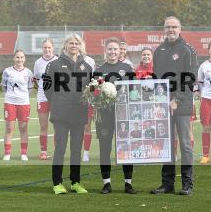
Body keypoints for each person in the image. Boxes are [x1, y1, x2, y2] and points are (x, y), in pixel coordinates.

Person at [151, 16, 198, 195]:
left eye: (174, 26)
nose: (171, 30)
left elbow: (190, 78)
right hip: (164, 105)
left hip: (182, 105)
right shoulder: (159, 50)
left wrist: (176, 100)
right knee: (167, 145)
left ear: (180, 29)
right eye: (168, 27)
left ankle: (187, 184)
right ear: (164, 29)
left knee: (185, 144)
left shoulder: (188, 49)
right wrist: (156, 99)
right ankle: (167, 183)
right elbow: (157, 78)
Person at [43, 34, 93, 194]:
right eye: (71, 43)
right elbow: (47, 88)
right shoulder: (54, 65)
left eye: (76, 43)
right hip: (61, 113)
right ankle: (57, 183)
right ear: (65, 45)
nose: (74, 45)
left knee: (76, 149)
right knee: (60, 148)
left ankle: (75, 182)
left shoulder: (87, 67)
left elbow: (91, 89)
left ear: (80, 46)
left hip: (79, 113)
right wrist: (58, 101)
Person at [94, 37, 136, 193]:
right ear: (105, 51)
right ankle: (106, 183)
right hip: (104, 116)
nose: (112, 52)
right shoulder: (99, 70)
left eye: (115, 49)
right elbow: (91, 90)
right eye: (110, 49)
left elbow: (134, 91)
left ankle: (128, 183)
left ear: (120, 51)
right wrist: (95, 93)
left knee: (126, 147)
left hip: (123, 115)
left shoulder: (127, 68)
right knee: (105, 148)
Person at [1, 49, 35, 161]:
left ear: (24, 59)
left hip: (24, 103)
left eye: (21, 57)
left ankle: (23, 154)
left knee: (23, 129)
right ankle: (7, 154)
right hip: (10, 102)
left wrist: (22, 97)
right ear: (13, 58)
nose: (19, 59)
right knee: (9, 129)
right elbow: (4, 87)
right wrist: (11, 97)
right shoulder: (7, 71)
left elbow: (30, 88)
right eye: (17, 57)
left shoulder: (28, 72)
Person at [33, 39, 58, 160]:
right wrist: (43, 88)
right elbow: (36, 79)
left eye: (49, 47)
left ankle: (58, 152)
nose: (47, 50)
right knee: (43, 125)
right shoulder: (38, 62)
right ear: (42, 48)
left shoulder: (58, 61)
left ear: (53, 48)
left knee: (57, 126)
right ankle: (43, 152)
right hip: (42, 97)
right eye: (45, 47)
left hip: (56, 98)